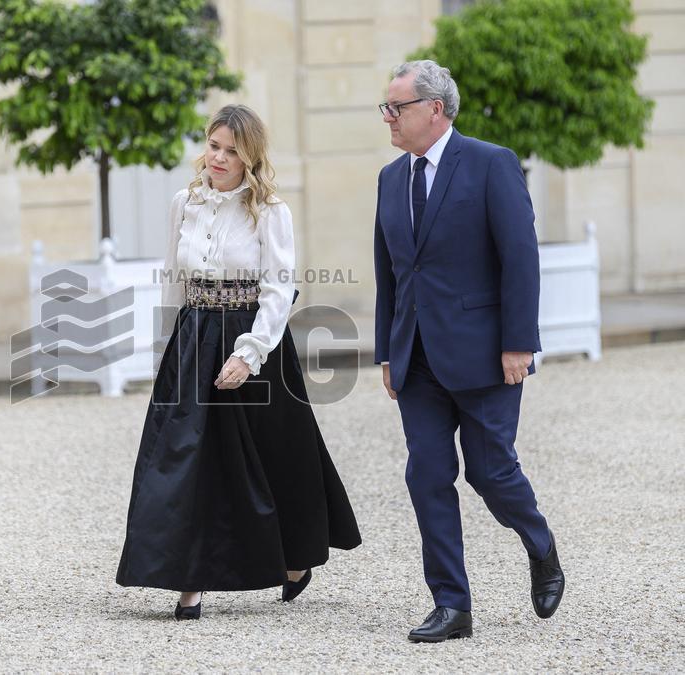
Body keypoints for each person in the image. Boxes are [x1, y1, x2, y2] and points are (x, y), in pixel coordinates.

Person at [116, 104, 361, 620]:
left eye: (232, 150)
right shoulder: (184, 203)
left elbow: (278, 289)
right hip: (193, 337)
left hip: (254, 340)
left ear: (250, 157)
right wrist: (168, 353)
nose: (219, 158)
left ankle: (294, 559)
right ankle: (190, 579)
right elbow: (172, 282)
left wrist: (249, 354)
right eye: (214, 145)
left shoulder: (270, 211)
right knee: (187, 458)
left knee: (277, 456)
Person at [373, 60, 565, 642]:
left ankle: (542, 546)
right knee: (426, 474)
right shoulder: (389, 177)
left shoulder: (490, 163)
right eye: (385, 108)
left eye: (396, 108)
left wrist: (518, 344)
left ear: (435, 109)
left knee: (491, 472)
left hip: (485, 354)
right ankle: (452, 605)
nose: (388, 118)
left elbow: (520, 258)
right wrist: (387, 350)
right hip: (417, 359)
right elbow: (390, 273)